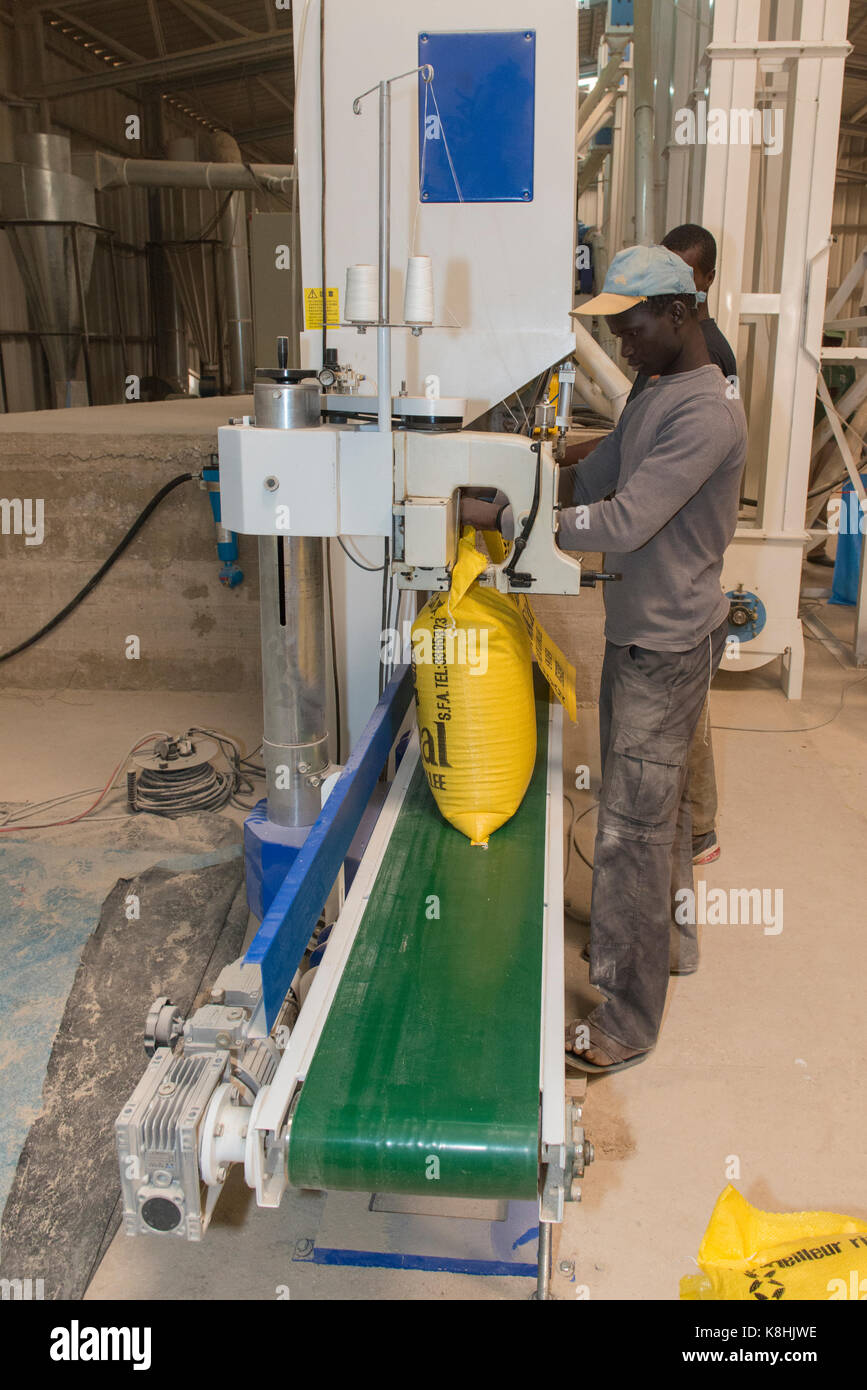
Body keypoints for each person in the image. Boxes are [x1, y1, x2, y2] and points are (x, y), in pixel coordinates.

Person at [465, 245, 746, 1073]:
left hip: (664, 643)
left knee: (627, 827)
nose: (621, 345)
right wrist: (527, 473)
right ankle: (674, 944)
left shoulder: (704, 413)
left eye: (631, 328)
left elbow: (621, 523)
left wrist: (516, 521)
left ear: (681, 314)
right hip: (645, 629)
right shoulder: (656, 392)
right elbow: (599, 481)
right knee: (649, 816)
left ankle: (625, 1017)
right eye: (612, 329)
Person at [626, 225, 736, 866]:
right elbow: (624, 453)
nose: (626, 344)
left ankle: (697, 833)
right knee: (646, 784)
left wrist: (531, 523)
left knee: (674, 743)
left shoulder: (706, 379)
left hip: (676, 611)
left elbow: (639, 509)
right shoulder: (664, 370)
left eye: (633, 329)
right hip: (658, 601)